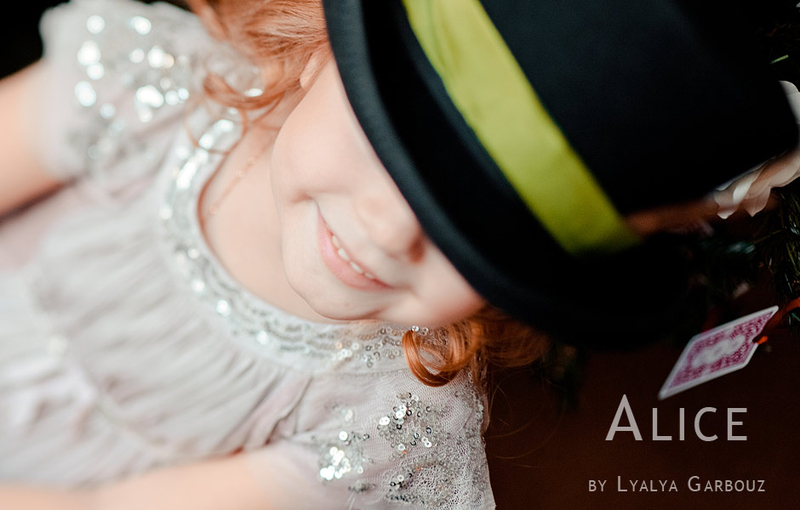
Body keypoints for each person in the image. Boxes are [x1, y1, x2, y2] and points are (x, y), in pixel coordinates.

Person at [0, 0, 798, 508]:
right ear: (322, 53)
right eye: (388, 147)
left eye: (473, 232)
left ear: (528, 281)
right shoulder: (147, 85)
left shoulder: (387, 425)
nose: (389, 231)